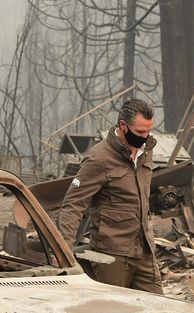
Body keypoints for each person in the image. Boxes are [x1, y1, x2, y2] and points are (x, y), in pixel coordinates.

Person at [57, 98, 162, 294]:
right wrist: (64, 250)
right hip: (112, 256)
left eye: (149, 131)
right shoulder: (99, 158)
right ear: (123, 126)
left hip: (145, 251)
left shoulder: (146, 151)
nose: (145, 137)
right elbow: (74, 204)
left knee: (159, 310)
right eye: (140, 132)